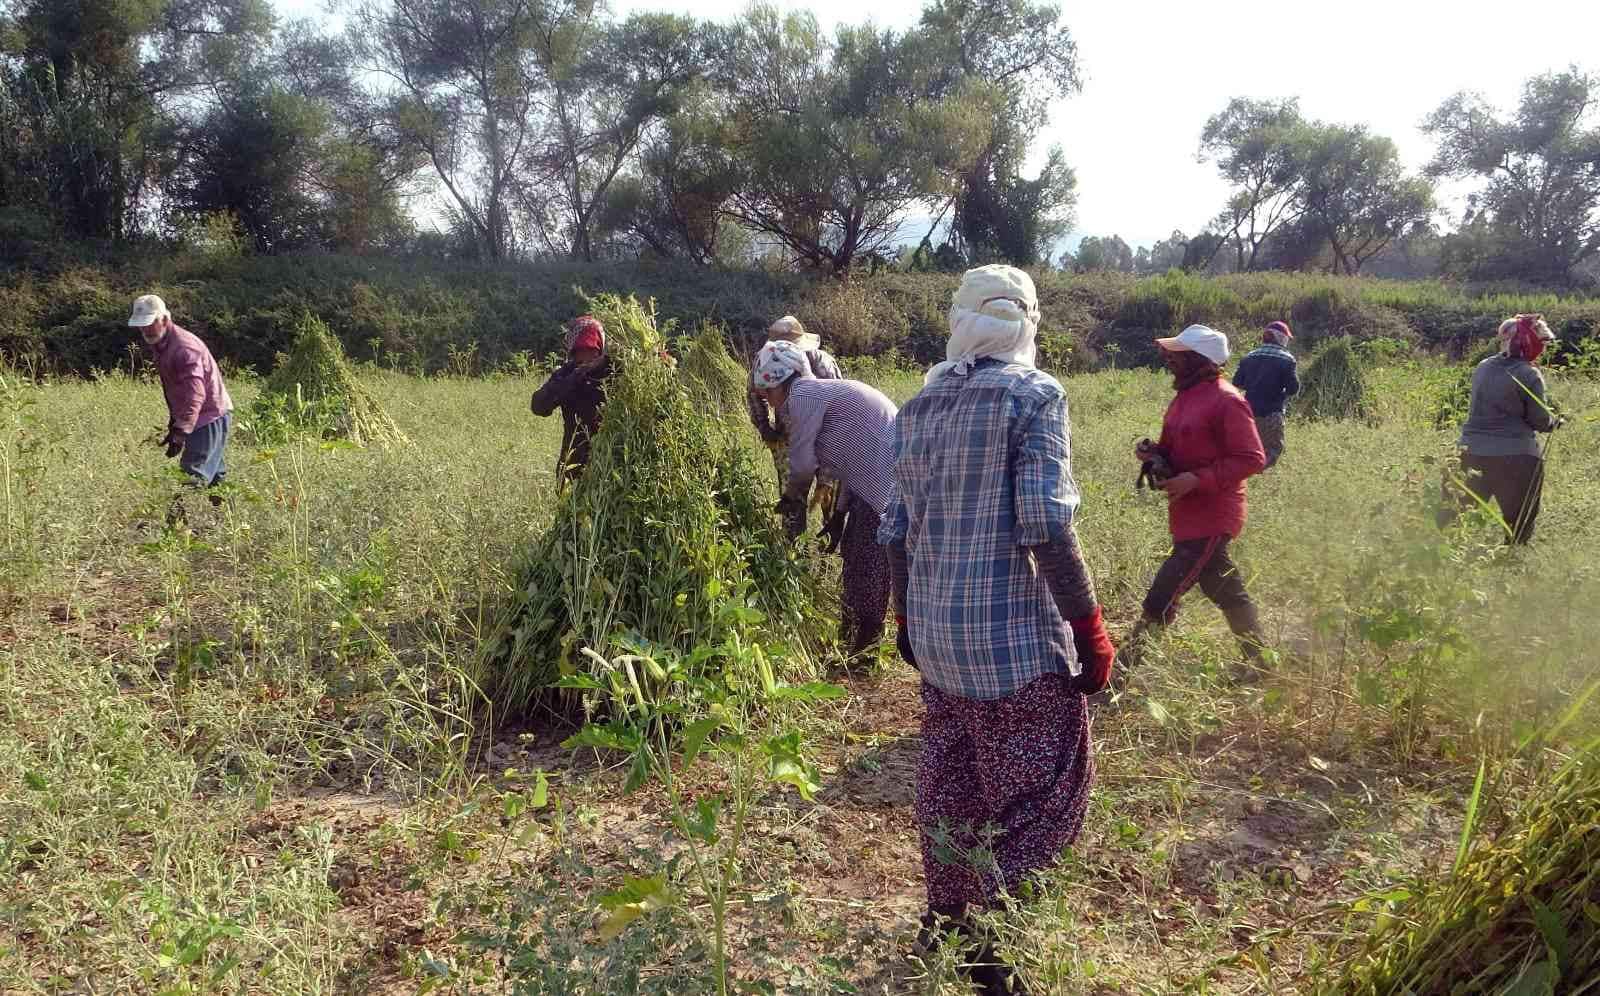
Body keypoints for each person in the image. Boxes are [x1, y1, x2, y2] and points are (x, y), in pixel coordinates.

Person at [879, 265, 1115, 996]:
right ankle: (998, 952)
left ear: (960, 321)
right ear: (1027, 324)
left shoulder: (919, 407)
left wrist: (906, 618)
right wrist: (1091, 628)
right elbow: (1046, 521)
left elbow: (895, 528)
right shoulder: (1034, 395)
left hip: (939, 640)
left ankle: (945, 922)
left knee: (949, 780)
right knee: (1040, 798)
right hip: (1014, 647)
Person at [1127, 324, 1268, 675]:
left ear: (1198, 360)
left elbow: (1252, 458)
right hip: (1187, 512)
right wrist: (1154, 453)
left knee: (1164, 591)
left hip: (1212, 514)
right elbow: (1175, 451)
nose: (1169, 360)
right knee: (1225, 588)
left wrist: (1197, 479)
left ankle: (1123, 671)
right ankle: (1263, 663)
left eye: (1178, 355)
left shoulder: (1228, 400)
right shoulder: (1183, 399)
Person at [751, 340, 897, 657]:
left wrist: (791, 504)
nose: (766, 398)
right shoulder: (813, 394)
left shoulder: (804, 396)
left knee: (868, 563)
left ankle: (865, 650)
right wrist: (838, 516)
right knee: (856, 556)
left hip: (891, 487)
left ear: (782, 381)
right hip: (874, 485)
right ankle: (854, 641)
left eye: (768, 390)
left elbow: (802, 465)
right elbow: (847, 462)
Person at [1440, 314, 1559, 544]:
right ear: (1528, 343)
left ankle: (1447, 566)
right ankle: (1510, 563)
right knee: (1518, 526)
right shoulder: (1529, 373)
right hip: (1516, 458)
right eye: (1540, 343)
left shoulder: (1483, 367)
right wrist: (1555, 421)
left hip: (1468, 453)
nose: (1542, 348)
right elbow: (1541, 421)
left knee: (1453, 520)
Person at [129, 294, 233, 510]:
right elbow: (178, 389)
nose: (145, 330)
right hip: (199, 416)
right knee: (215, 476)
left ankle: (175, 531)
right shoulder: (161, 343)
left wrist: (182, 430)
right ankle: (231, 523)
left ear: (164, 319)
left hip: (208, 416)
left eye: (150, 323)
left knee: (192, 474)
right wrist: (174, 424)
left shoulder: (185, 349)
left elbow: (195, 394)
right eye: (141, 326)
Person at [530, 315, 613, 481]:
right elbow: (538, 406)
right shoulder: (567, 374)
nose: (586, 356)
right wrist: (578, 374)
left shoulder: (615, 370)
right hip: (574, 467)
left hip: (610, 466)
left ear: (600, 348)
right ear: (573, 351)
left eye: (591, 350)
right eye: (581, 350)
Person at [1231, 320, 1299, 469]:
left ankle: (1244, 474)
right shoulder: (1287, 359)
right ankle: (1257, 474)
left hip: (1248, 413)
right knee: (1272, 451)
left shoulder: (1249, 357)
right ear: (1281, 338)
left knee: (1249, 450)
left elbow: (1236, 382)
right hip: (1272, 413)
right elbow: (1293, 389)